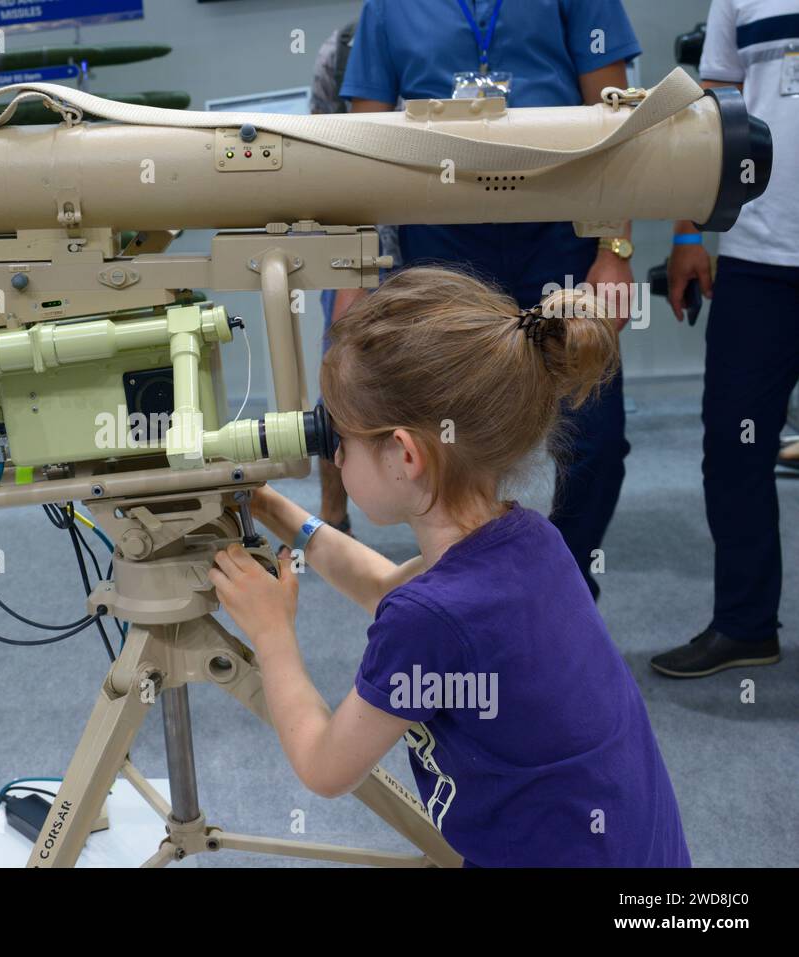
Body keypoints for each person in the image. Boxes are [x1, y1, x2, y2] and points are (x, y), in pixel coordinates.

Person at [209, 268, 691, 867]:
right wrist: (278, 511)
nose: (332, 456)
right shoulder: (528, 539)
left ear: (405, 454)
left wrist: (273, 634)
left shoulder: (433, 619)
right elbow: (385, 587)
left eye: (341, 440)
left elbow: (324, 766)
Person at [336, 0, 643, 601]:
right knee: (443, 442)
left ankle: (563, 586)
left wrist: (616, 249)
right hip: (442, 238)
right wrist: (355, 277)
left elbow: (616, 123)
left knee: (596, 437)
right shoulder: (387, 11)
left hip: (556, 233)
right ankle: (472, 590)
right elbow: (361, 147)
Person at [651, 0, 798, 678]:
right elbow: (705, 123)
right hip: (758, 260)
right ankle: (745, 623)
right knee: (733, 448)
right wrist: (687, 234)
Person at [310, 20, 401, 537]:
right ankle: (333, 517)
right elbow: (330, 165)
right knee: (339, 389)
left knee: (445, 390)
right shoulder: (341, 50)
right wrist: (352, 272)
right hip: (361, 252)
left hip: (440, 248)